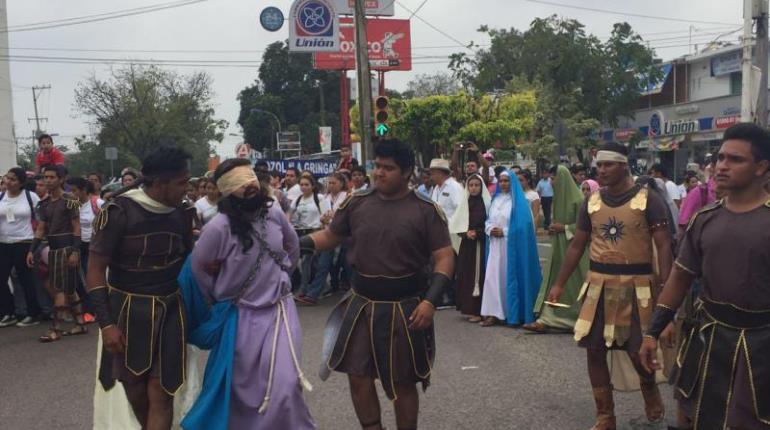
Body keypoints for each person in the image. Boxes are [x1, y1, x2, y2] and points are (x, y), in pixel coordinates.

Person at [302, 139, 454, 430]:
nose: (379, 173)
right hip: (361, 304)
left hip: (406, 307)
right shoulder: (356, 203)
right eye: (377, 166)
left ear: (407, 172)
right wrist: (294, 244)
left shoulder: (426, 210)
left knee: (402, 383)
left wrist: (431, 301)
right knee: (357, 376)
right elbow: (330, 237)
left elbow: (445, 257)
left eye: (388, 168)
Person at [641, 123, 770, 430]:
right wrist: (652, 331)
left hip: (763, 347)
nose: (721, 166)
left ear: (761, 168)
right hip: (708, 338)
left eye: (735, 160)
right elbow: (679, 278)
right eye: (720, 158)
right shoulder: (705, 219)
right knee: (694, 415)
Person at [183, 158, 316, 429]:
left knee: (285, 383)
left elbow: (292, 246)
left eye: (251, 180)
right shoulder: (217, 228)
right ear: (226, 192)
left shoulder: (275, 212)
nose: (250, 186)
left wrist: (281, 276)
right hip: (239, 315)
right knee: (243, 390)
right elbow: (199, 268)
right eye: (240, 184)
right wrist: (217, 299)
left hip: (279, 310)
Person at [548, 143, 673, 429]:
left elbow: (664, 247)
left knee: (637, 350)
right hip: (598, 285)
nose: (601, 171)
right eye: (599, 166)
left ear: (624, 165)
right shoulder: (590, 201)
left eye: (608, 165)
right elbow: (577, 245)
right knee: (594, 350)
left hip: (638, 286)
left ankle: (649, 389)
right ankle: (605, 415)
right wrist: (559, 283)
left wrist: (666, 293)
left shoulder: (649, 199)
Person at [86, 146, 195, 430]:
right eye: (182, 182)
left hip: (172, 310)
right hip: (126, 312)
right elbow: (95, 270)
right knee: (134, 388)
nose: (187, 188)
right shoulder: (118, 212)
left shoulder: (183, 213)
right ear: (160, 183)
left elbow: (188, 261)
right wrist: (106, 324)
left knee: (163, 393)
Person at [525, 165, 589, 333]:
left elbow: (588, 228)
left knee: (575, 285)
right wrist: (554, 229)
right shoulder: (558, 199)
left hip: (576, 252)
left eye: (554, 179)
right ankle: (547, 318)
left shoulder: (579, 200)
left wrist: (566, 228)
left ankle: (580, 320)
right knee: (555, 280)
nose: (551, 182)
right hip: (559, 249)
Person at [27, 164, 86, 342]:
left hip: (67, 248)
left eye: (52, 177)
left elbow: (77, 228)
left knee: (59, 288)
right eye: (45, 177)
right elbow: (40, 230)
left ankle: (56, 329)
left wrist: (75, 251)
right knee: (69, 289)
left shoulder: (70, 199)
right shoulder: (44, 204)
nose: (48, 180)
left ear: (61, 179)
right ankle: (80, 323)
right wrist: (32, 250)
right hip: (53, 249)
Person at [479, 170, 542, 327]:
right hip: (494, 246)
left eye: (506, 181)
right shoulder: (495, 200)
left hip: (511, 247)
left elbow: (524, 227)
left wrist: (505, 232)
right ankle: (494, 313)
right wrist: (490, 229)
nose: (503, 184)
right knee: (493, 279)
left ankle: (511, 313)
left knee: (508, 278)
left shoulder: (519, 202)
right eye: (501, 181)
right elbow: (488, 220)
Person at [0, 167, 42, 327]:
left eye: (13, 179)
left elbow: (41, 221)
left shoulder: (30, 197)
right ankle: (8, 312)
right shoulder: (1, 197)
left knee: (25, 279)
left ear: (21, 183)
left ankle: (33, 313)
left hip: (24, 242)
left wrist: (36, 244)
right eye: (7, 178)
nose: (8, 182)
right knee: (1, 279)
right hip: (3, 243)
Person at [449, 174, 491, 323]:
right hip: (467, 245)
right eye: (471, 185)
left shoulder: (486, 203)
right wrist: (465, 233)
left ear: (481, 187)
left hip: (480, 244)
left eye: (476, 185)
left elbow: (490, 222)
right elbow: (457, 223)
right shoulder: (465, 203)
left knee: (478, 276)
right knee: (466, 274)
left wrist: (478, 233)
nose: (473, 188)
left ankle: (479, 310)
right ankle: (468, 308)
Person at [66, 176, 103, 318]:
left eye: (75, 191)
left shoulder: (97, 203)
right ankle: (89, 309)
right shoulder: (72, 205)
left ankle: (96, 309)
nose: (72, 194)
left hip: (96, 245)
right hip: (79, 245)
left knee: (94, 277)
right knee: (82, 279)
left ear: (84, 190)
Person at [291, 175, 330, 302]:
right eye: (301, 184)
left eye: (306, 184)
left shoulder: (319, 198)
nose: (303, 187)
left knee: (315, 263)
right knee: (306, 263)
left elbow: (327, 215)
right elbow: (290, 216)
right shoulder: (297, 200)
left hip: (318, 232)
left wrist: (324, 225)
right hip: (303, 234)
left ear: (313, 186)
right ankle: (307, 289)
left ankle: (308, 290)